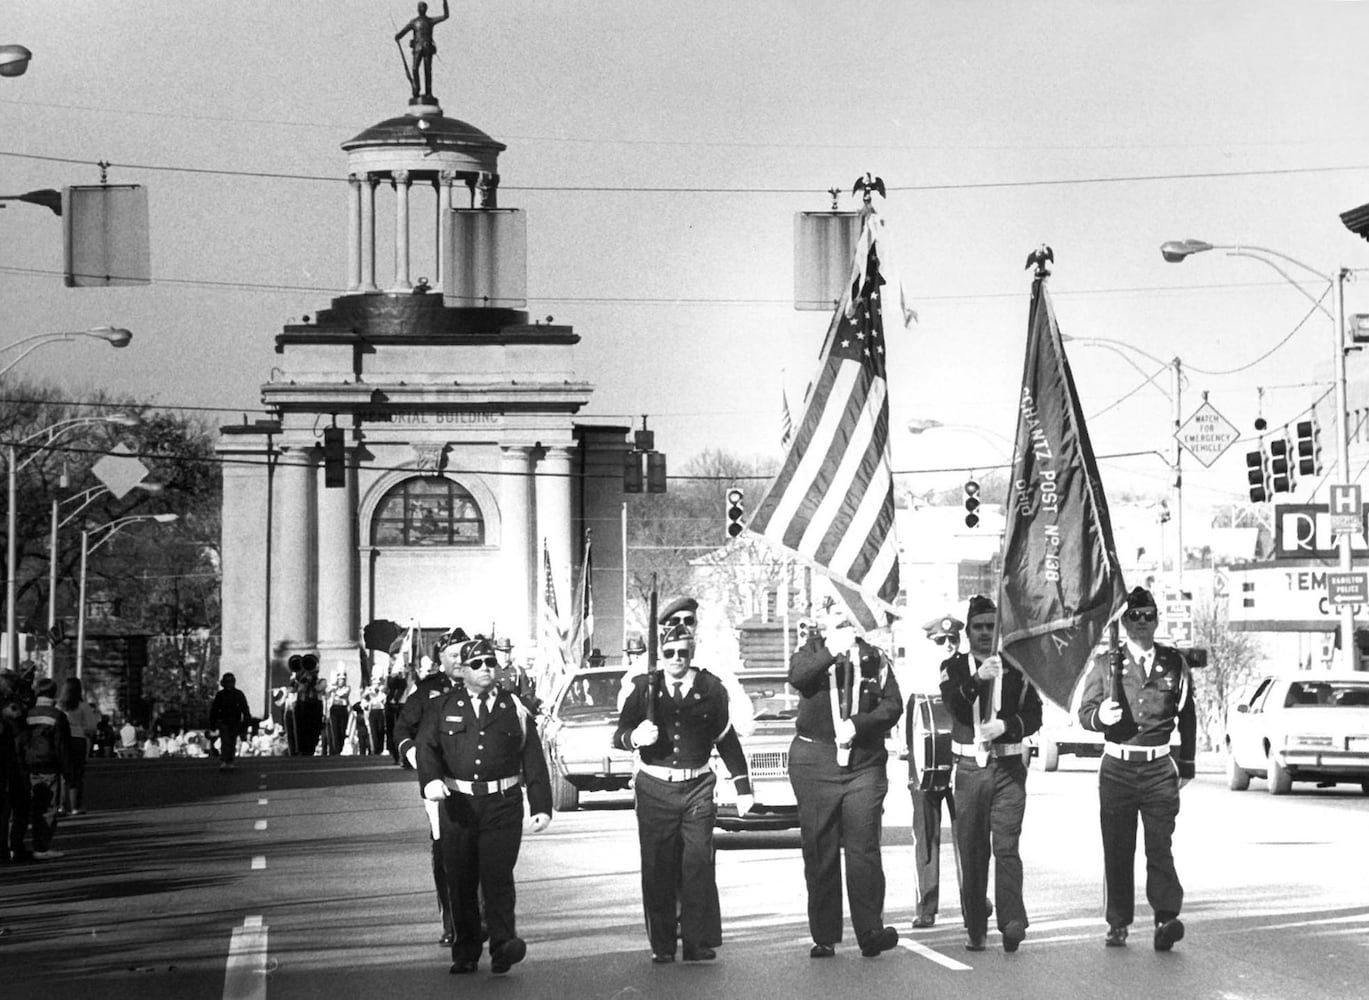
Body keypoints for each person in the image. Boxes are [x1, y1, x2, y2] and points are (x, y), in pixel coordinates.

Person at [614, 620, 753, 964]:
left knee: (697, 865)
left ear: (692, 654)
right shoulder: (645, 689)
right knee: (658, 866)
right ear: (660, 655)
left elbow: (726, 738)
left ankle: (695, 941)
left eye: (683, 653)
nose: (676, 659)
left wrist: (742, 786)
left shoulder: (711, 688)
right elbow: (618, 733)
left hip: (697, 787)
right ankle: (662, 944)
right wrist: (634, 738)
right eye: (669, 653)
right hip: (655, 787)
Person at [416, 636, 552, 976]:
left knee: (497, 877)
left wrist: (541, 805)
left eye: (490, 662)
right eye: (476, 664)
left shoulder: (514, 707)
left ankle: (504, 945)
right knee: (461, 879)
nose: (485, 669)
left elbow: (533, 758)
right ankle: (466, 950)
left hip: (502, 804)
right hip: (458, 804)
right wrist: (431, 781)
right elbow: (426, 748)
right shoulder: (442, 707)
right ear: (462, 671)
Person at [1077, 586, 1196, 952]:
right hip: (1118, 767)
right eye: (1134, 616)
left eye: (1148, 616)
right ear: (1124, 621)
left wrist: (1186, 764)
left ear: (1157, 619)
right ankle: (1117, 922)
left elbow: (1187, 714)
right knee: (1118, 846)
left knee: (1160, 845)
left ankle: (1165, 917)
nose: (1141, 623)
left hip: (1159, 765)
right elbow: (1085, 713)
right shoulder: (1106, 663)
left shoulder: (1174, 663)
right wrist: (1101, 716)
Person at [787, 606, 902, 960]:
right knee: (820, 849)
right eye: (836, 616)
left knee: (863, 847)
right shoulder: (811, 651)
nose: (843, 623)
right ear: (824, 620)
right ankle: (824, 935)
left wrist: (861, 723)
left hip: (863, 763)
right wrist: (831, 651)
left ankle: (870, 930)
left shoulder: (875, 658)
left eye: (848, 617)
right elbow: (799, 677)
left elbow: (894, 705)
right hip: (816, 762)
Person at [939, 595, 1042, 953]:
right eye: (979, 627)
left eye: (991, 627)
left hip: (1008, 768)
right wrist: (977, 678)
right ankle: (975, 926)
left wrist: (1008, 725)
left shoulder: (1016, 667)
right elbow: (955, 706)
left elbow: (1035, 716)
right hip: (970, 770)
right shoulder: (953, 667)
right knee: (973, 850)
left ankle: (1012, 921)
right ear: (968, 631)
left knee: (1007, 846)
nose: (985, 633)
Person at [394, 626, 466, 948]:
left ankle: (480, 919)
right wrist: (415, 756)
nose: (461, 661)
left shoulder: (482, 684)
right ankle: (452, 922)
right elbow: (402, 730)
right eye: (454, 655)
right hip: (439, 782)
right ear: (441, 658)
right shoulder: (427, 691)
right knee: (446, 852)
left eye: (465, 653)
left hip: (477, 783)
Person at [908, 613, 963, 930]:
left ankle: (972, 898)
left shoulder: (968, 670)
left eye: (952, 639)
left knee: (968, 835)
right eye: (941, 641)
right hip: (925, 766)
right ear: (930, 643)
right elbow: (909, 718)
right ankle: (925, 906)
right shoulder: (917, 676)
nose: (948, 645)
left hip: (960, 761)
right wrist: (913, 763)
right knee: (926, 838)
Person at [19, 677, 73, 860]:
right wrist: (68, 772)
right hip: (49, 766)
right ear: (54, 693)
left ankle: (15, 845)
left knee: (25, 807)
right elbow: (62, 747)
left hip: (25, 766)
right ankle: (41, 847)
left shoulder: (26, 713)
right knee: (48, 807)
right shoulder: (57, 716)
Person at [57, 678, 99, 815]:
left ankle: (61, 806)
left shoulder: (58, 706)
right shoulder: (83, 706)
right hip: (78, 740)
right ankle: (75, 806)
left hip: (62, 740)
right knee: (77, 774)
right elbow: (92, 727)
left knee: (63, 774)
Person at [395, 0, 451, 101]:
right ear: (418, 9)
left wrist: (444, 2)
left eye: (423, 7)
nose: (422, 9)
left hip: (427, 47)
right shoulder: (414, 22)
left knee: (427, 70)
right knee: (415, 69)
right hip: (417, 48)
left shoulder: (430, 21)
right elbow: (404, 31)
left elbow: (446, 16)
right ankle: (417, 89)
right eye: (420, 7)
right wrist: (398, 36)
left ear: (426, 9)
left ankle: (428, 93)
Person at [210, 673, 254, 772]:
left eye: (231, 681)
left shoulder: (238, 694)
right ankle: (224, 760)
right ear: (224, 683)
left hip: (235, 721)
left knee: (232, 741)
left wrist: (247, 718)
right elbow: (214, 709)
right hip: (224, 721)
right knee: (225, 741)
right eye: (228, 682)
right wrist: (213, 722)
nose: (230, 683)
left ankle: (230, 760)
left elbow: (244, 707)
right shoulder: (220, 695)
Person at [325, 668, 352, 756]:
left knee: (342, 730)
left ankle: (340, 747)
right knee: (335, 730)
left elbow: (342, 693)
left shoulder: (347, 687)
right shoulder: (332, 687)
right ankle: (335, 749)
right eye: (340, 679)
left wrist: (334, 690)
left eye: (343, 680)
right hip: (334, 709)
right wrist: (332, 687)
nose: (341, 681)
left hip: (343, 709)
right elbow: (326, 693)